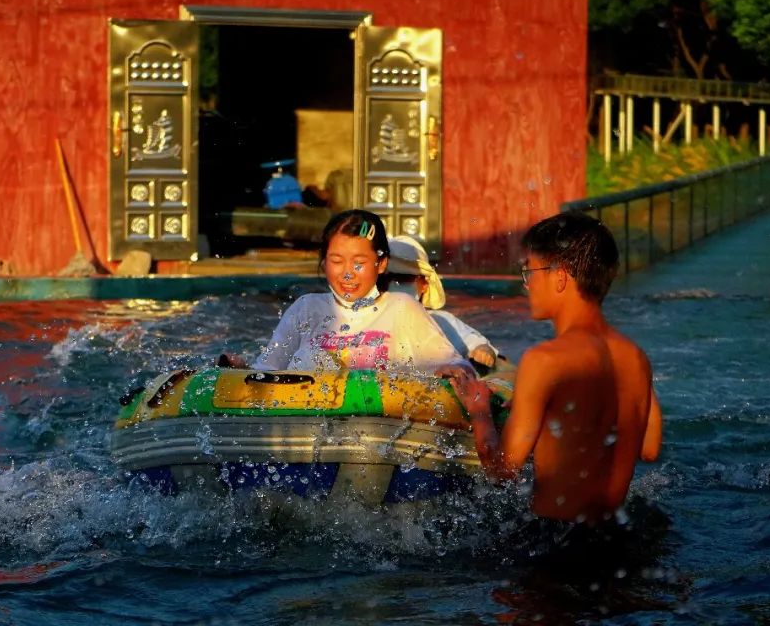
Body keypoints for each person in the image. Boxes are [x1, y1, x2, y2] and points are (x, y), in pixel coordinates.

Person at [455, 212, 662, 525]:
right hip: (616, 537)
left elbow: (503, 470)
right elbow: (648, 449)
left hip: (556, 543)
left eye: (529, 272)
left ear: (560, 276)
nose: (527, 285)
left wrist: (479, 409)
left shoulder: (545, 360)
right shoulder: (636, 357)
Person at [222, 209, 474, 377]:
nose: (348, 273)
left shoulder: (403, 308)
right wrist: (240, 370)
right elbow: (268, 371)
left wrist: (450, 371)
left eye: (359, 262)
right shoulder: (306, 308)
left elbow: (456, 366)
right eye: (336, 260)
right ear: (323, 263)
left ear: (381, 263)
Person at [384, 235, 502, 374]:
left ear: (424, 285)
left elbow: (475, 342)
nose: (392, 284)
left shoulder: (441, 321)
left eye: (402, 279)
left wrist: (483, 351)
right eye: (384, 279)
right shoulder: (368, 319)